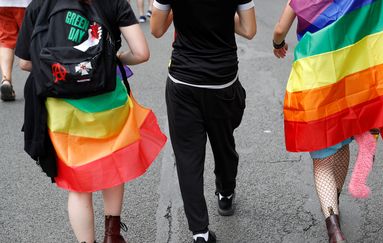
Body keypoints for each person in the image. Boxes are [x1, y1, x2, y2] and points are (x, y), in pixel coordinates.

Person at [273, 0, 383, 242]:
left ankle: (333, 226)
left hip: (316, 82)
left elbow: (280, 29)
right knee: (341, 142)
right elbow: (376, 23)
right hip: (346, 82)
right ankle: (334, 205)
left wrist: (277, 43)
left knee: (322, 157)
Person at [15, 0, 167, 242]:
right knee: (113, 167)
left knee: (78, 187)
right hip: (109, 103)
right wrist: (114, 58)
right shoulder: (114, 2)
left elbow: (25, 63)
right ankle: (112, 235)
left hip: (64, 110)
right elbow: (142, 53)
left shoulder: (40, 5)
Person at [150, 1, 256, 242]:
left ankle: (200, 232)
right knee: (224, 142)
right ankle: (226, 193)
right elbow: (249, 30)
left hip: (183, 80)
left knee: (187, 158)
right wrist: (215, 17)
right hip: (222, 80)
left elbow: (156, 29)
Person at [0, 0, 31, 101]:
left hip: (3, 4)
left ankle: (6, 79)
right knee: (31, 38)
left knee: (6, 39)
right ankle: (40, 79)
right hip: (26, 4)